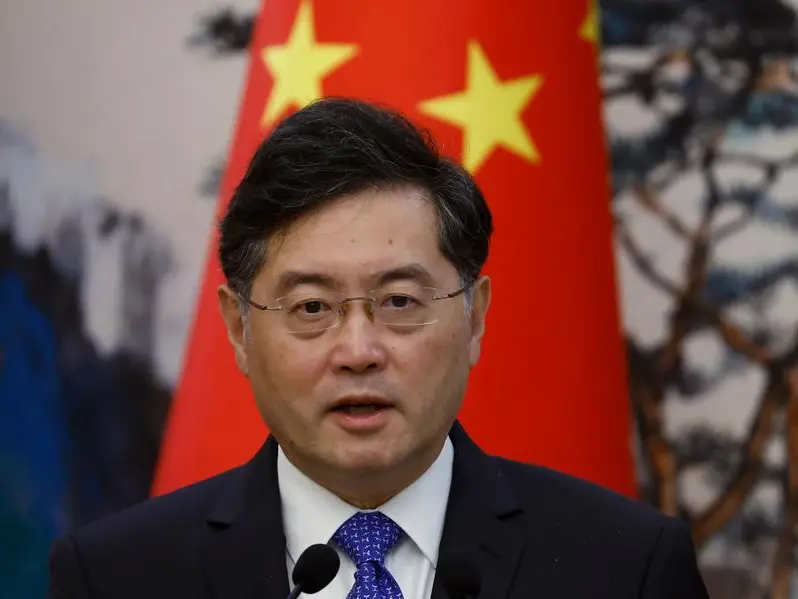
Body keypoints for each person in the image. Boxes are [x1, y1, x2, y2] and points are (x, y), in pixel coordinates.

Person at [47, 98, 709, 599]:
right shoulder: (115, 578)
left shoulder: (626, 568)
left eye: (399, 302)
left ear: (475, 317)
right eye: (312, 308)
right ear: (240, 329)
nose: (359, 351)